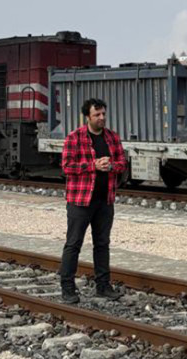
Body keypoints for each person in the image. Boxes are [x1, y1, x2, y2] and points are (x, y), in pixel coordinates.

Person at [59, 97, 126, 304]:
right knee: (73, 244)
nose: (101, 118)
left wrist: (111, 166)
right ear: (87, 116)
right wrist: (93, 165)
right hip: (80, 201)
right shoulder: (74, 138)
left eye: (103, 114)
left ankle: (103, 286)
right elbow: (67, 167)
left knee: (102, 244)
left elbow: (122, 163)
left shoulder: (112, 138)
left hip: (104, 200)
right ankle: (68, 288)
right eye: (97, 114)